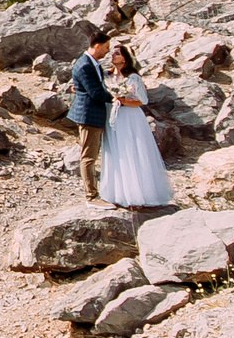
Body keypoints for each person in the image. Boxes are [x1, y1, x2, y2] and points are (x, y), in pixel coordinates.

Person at [99, 42, 174, 209]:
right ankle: (117, 193)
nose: (113, 56)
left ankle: (137, 195)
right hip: (113, 116)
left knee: (131, 151)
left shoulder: (133, 78)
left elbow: (143, 100)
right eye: (112, 53)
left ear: (125, 59)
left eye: (117, 54)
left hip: (130, 117)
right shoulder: (107, 76)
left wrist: (123, 100)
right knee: (115, 151)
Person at [67, 27, 112, 201]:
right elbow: (95, 92)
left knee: (90, 155)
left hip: (92, 114)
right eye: (107, 47)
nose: (108, 51)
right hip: (89, 115)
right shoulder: (85, 65)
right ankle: (91, 195)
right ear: (98, 46)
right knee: (89, 157)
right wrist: (119, 98)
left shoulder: (91, 63)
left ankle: (93, 192)